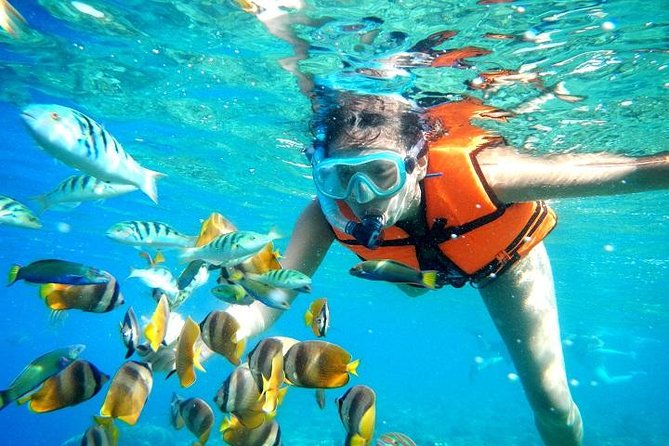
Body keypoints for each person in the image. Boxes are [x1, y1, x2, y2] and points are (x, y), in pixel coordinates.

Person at [222, 4, 669, 446]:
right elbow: (266, 304)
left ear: (416, 164)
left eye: (381, 173)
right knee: (409, 275)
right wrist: (214, 332)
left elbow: (636, 170)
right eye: (338, 176)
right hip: (415, 268)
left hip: (502, 266)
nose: (360, 196)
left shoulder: (493, 178)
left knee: (550, 401)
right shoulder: (325, 215)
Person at [563, 334, 645, 386]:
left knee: (608, 381)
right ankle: (633, 376)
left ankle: (633, 376)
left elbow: (608, 352)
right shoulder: (576, 346)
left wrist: (627, 355)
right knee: (607, 381)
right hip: (592, 365)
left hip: (594, 365)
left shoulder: (594, 352)